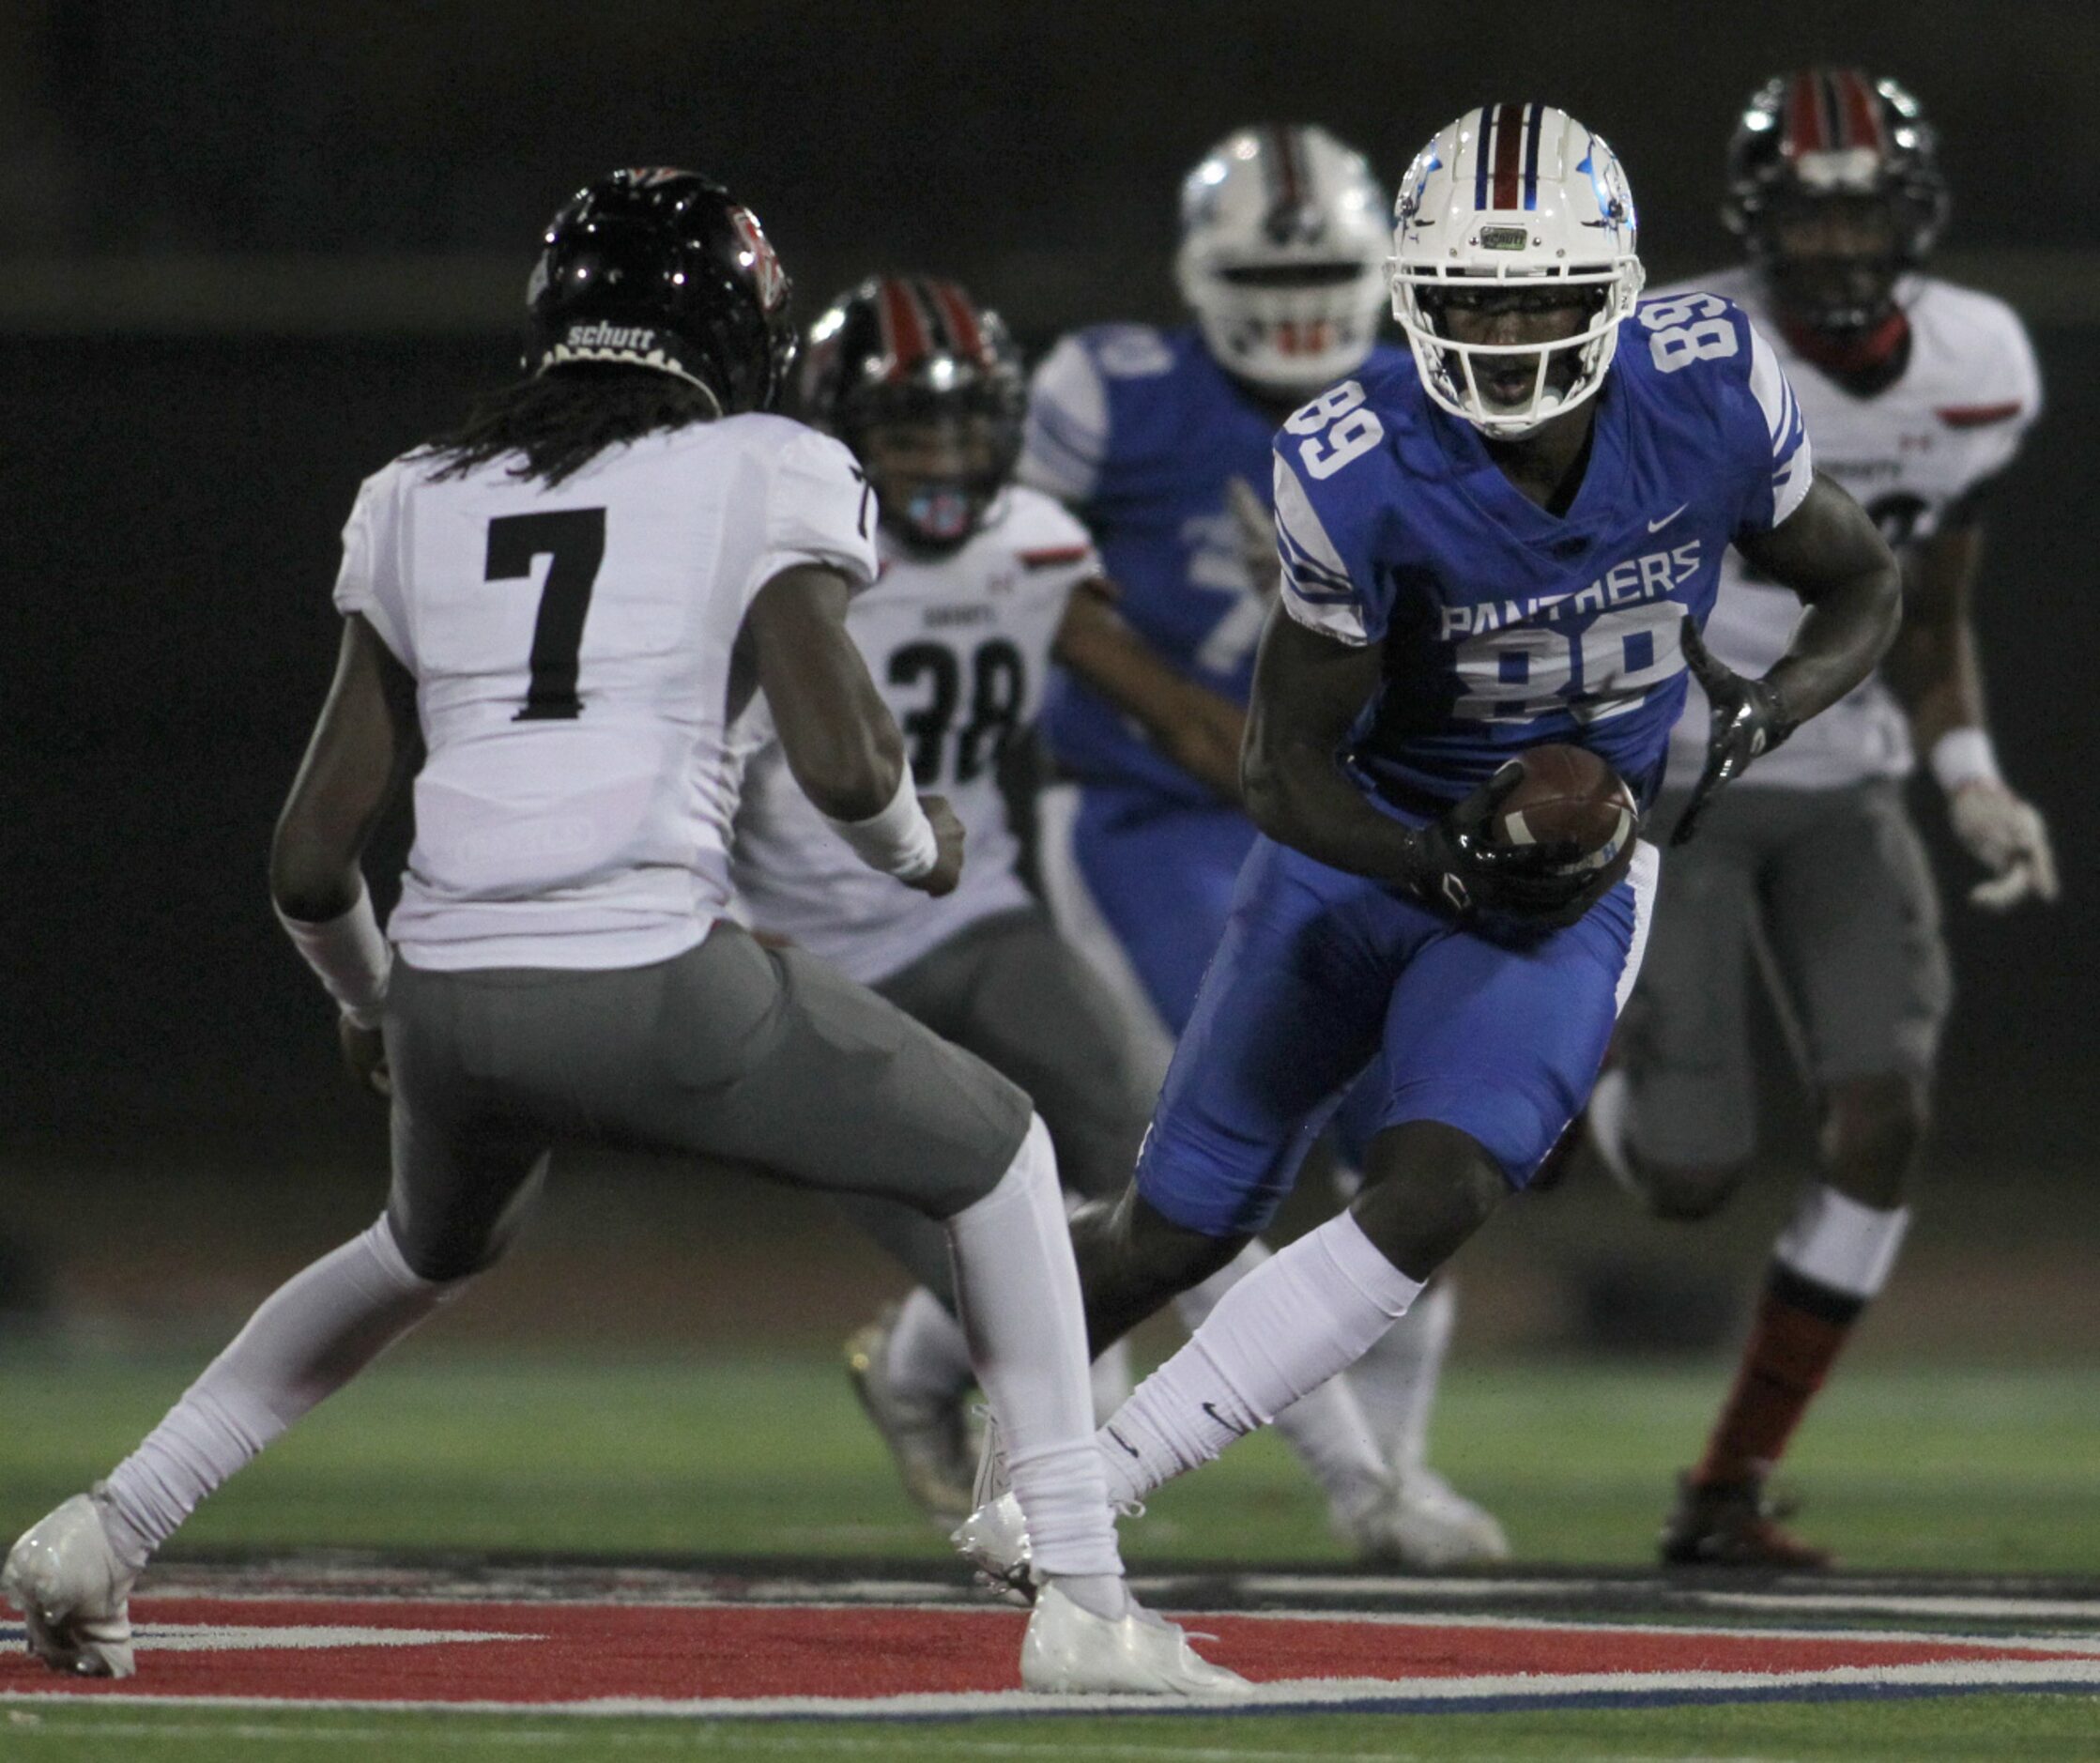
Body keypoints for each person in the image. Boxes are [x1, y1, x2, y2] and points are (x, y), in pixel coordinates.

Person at [1, 170, 1242, 1697]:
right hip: (656, 977)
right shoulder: (763, 461)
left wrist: (377, 1002)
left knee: (418, 1250)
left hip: (454, 990)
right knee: (1001, 1152)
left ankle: (106, 1525)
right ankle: (1084, 1597)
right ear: (732, 325)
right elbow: (849, 762)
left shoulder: (413, 490)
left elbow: (312, 854)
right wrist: (921, 852)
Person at [953, 102, 1902, 1587]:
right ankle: (977, 1387)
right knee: (1178, 1225)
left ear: (1617, 291)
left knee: (1439, 1184)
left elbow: (1858, 584)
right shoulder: (1353, 457)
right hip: (1361, 859)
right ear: (1413, 298)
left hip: (1574, 882)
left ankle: (1094, 1487)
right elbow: (1282, 769)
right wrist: (1439, 864)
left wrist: (1763, 709)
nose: (1510, 331)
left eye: (1541, 294)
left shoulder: (1712, 389)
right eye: (1473, 296)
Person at [1583, 69, 2056, 1567]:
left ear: (1908, 216)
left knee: (1884, 1111)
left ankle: (1728, 1480)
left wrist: (1969, 769)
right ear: (1756, 222)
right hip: (1680, 775)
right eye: (1811, 207)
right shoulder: (1674, 350)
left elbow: (1929, 612)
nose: (1840, 238)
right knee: (1688, 1175)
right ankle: (1562, 1049)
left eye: (1862, 205)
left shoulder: (1978, 360)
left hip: (1844, 772)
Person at [1020, 123, 1506, 1567]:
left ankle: (1393, 1472)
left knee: (1405, 1146)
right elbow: (1020, 570)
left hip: (1355, 815)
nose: (1294, 298)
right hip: (1149, 811)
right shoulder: (1114, 390)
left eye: (1321, 270)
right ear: (1198, 269)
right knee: (1207, 1150)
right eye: (1264, 268)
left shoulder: (1431, 396)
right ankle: (1365, 1488)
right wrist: (1178, 710)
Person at [729, 273, 1235, 1523]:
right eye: (908, 432)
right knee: (990, 1252)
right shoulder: (771, 558)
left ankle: (1037, 1471)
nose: (942, 457)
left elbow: (1172, 711)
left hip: (972, 908)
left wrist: (1344, 801)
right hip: (809, 953)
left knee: (1156, 1138)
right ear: (844, 437)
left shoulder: (1033, 541)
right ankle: (1012, 1477)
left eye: (962, 426)